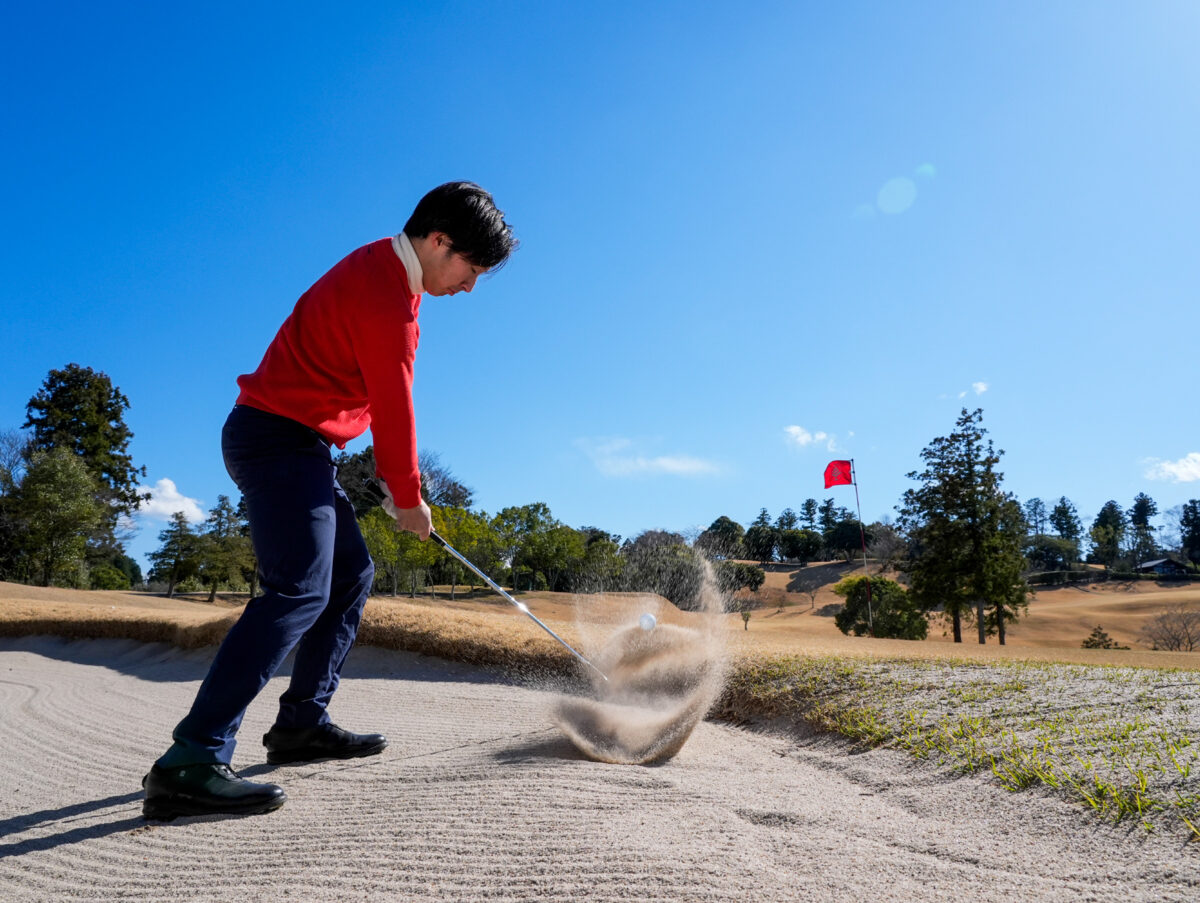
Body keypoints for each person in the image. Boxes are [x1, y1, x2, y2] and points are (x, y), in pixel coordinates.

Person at [142, 182, 516, 820]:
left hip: (299, 443)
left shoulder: (388, 275)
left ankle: (300, 726)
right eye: (471, 269)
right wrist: (408, 497)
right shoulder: (386, 295)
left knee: (349, 575)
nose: (471, 286)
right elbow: (396, 407)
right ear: (439, 241)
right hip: (276, 437)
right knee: (298, 590)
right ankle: (193, 757)